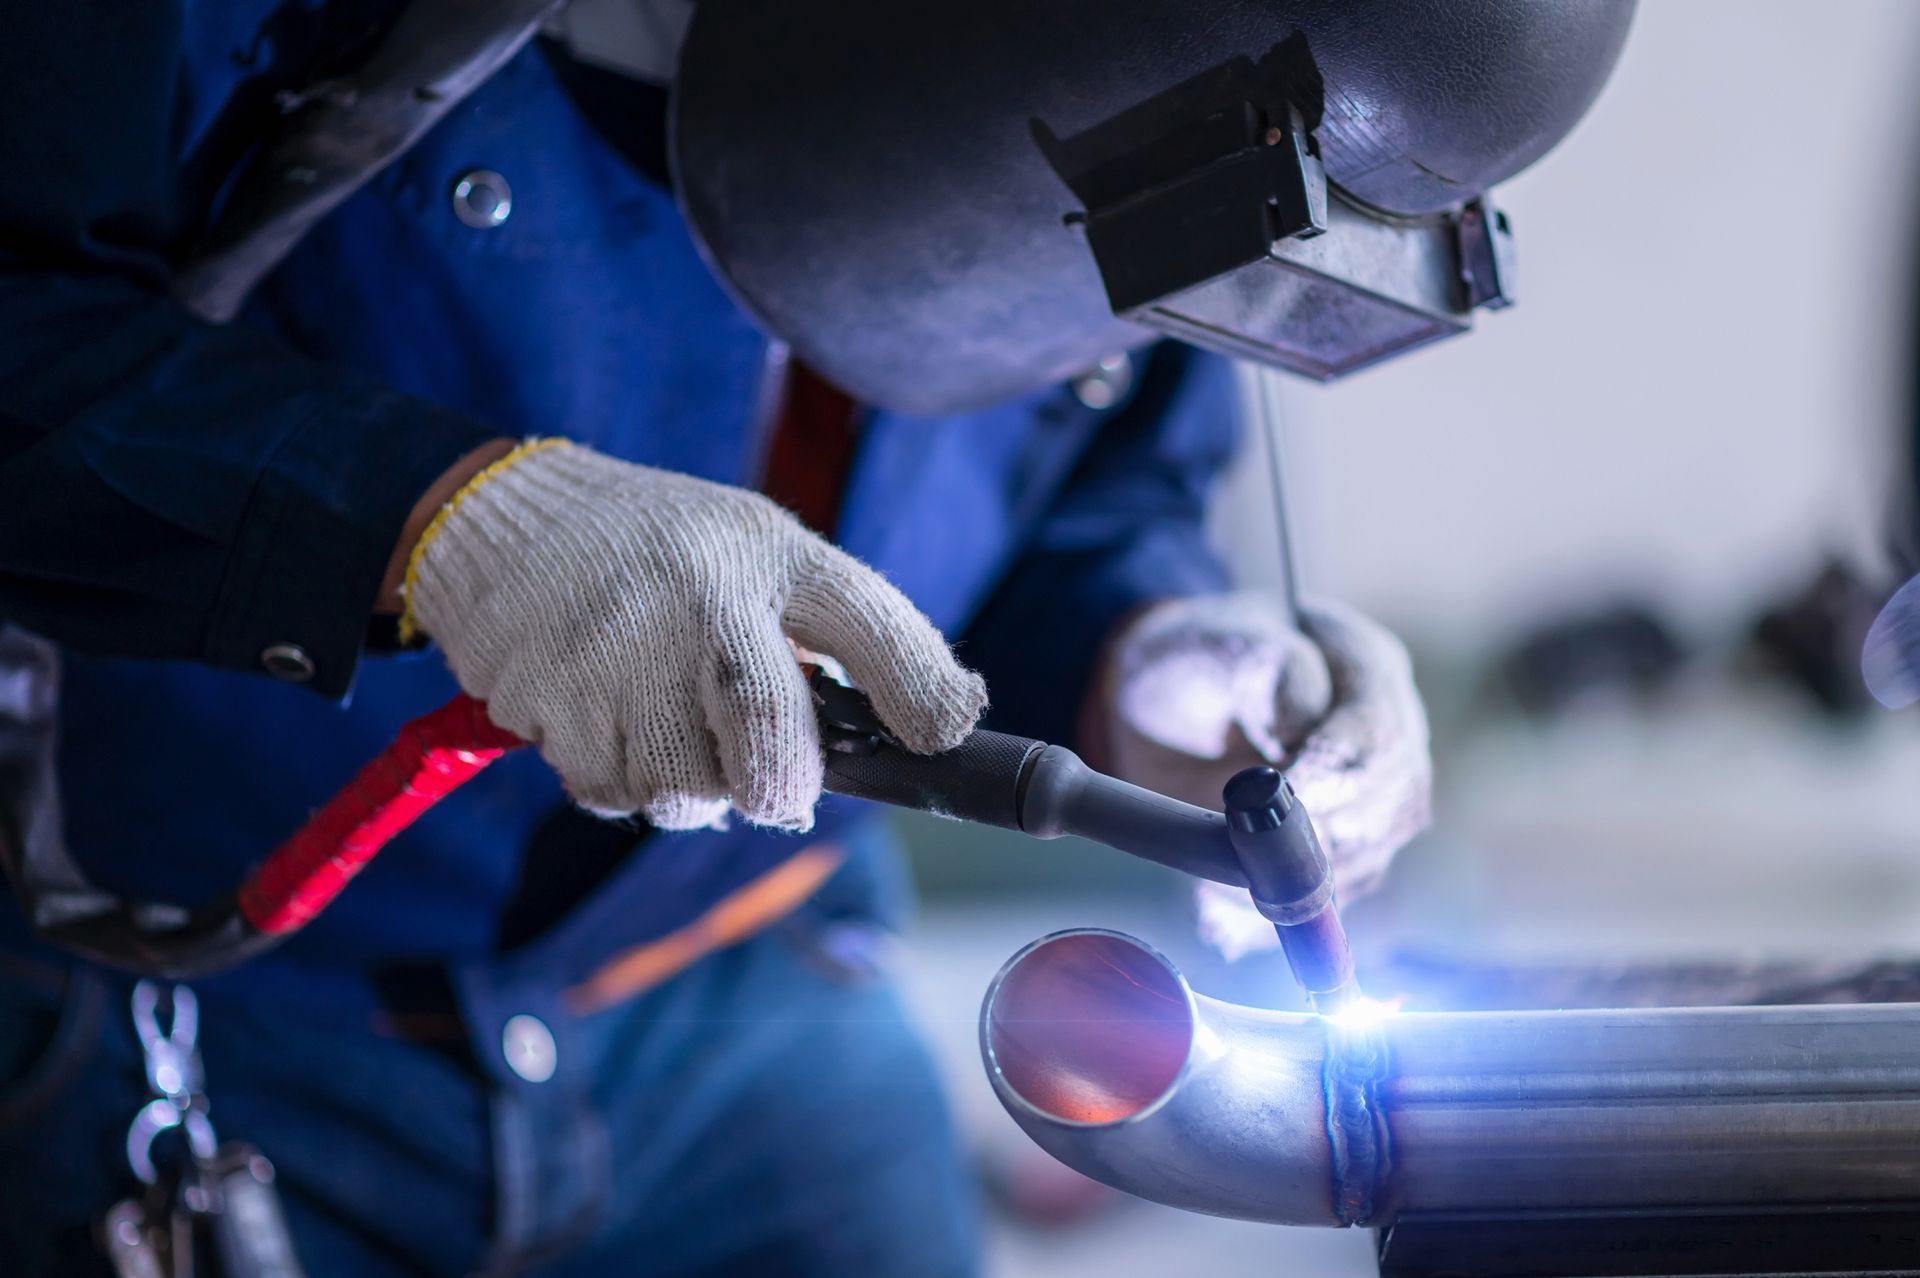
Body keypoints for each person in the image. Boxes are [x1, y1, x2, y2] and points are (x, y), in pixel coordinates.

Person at [0, 4, 1428, 1274]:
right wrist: (439, 514)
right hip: (189, 1013)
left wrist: (1147, 646)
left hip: (759, 1002)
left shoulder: (1175, 65)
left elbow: (1099, 470)